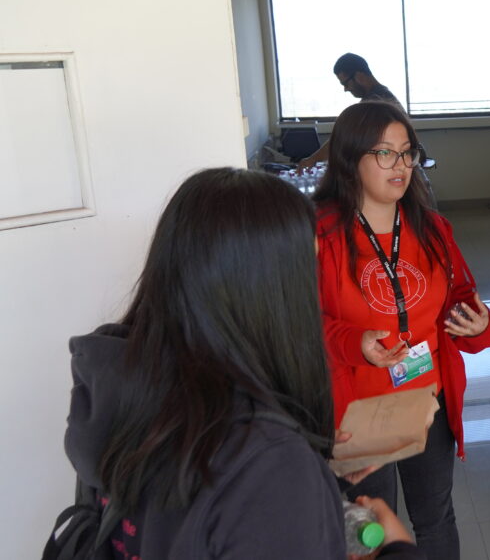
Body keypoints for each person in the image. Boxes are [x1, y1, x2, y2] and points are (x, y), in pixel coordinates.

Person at [62, 168, 420, 559]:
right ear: (269, 293)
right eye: (306, 272)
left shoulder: (121, 395)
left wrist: (315, 480)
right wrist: (397, 550)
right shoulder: (269, 466)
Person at [314, 101, 490, 560]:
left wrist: (476, 323)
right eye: (384, 153)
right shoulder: (319, 233)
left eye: (407, 152)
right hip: (357, 412)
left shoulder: (432, 227)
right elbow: (297, 324)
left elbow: (462, 297)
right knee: (368, 526)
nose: (400, 165)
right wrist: (354, 341)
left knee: (436, 517)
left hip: (427, 401)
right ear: (350, 159)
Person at [299, 53, 402, 169]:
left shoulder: (376, 103)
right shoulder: (381, 96)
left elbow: (343, 138)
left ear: (359, 76)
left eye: (345, 83)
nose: (345, 89)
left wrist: (312, 160)